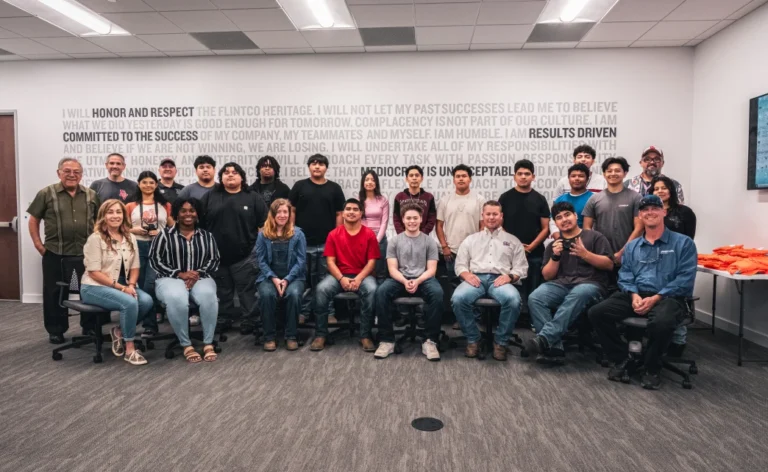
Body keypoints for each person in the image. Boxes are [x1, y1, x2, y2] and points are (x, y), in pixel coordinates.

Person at [588, 195, 697, 390]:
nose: (650, 213)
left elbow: (685, 278)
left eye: (655, 208)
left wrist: (657, 297)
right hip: (637, 295)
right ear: (640, 215)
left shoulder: (684, 243)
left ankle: (651, 367)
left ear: (664, 212)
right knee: (597, 313)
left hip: (669, 297)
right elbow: (626, 274)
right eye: (645, 210)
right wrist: (633, 294)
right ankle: (621, 359)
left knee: (662, 323)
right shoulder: (632, 246)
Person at [526, 202, 614, 365]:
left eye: (567, 215)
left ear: (575, 216)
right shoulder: (553, 245)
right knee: (535, 297)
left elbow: (609, 264)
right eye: (559, 218)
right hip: (561, 284)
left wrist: (585, 254)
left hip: (591, 284)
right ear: (555, 223)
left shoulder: (594, 236)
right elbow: (547, 276)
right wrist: (555, 256)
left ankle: (546, 338)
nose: (564, 219)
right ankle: (554, 347)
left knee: (579, 293)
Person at [27, 158, 100, 344]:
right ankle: (56, 330)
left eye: (76, 171)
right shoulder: (46, 193)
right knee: (55, 292)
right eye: (67, 171)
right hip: (55, 252)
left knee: (89, 291)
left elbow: (99, 221)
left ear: (81, 175)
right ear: (59, 173)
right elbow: (34, 219)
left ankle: (89, 327)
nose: (72, 175)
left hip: (86, 254)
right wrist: (38, 245)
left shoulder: (91, 195)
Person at [80, 199, 154, 366]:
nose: (115, 216)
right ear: (103, 216)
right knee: (130, 302)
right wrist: (122, 288)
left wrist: (132, 286)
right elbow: (94, 272)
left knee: (146, 301)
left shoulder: (130, 237)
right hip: (94, 286)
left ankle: (119, 331)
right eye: (110, 212)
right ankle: (130, 348)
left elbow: (135, 267)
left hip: (123, 284)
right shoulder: (95, 238)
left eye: (119, 212)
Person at [451, 201, 528, 361]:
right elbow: (460, 265)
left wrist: (510, 276)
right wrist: (466, 275)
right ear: (483, 216)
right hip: (475, 279)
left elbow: (522, 268)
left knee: (513, 300)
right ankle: (473, 339)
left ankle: (501, 342)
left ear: (501, 216)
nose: (491, 217)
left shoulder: (513, 240)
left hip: (500, 280)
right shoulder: (471, 240)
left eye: (495, 214)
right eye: (488, 214)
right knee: (458, 299)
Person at [149, 197, 220, 363]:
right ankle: (186, 344)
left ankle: (208, 342)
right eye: (183, 211)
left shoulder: (207, 236)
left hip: (201, 277)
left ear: (197, 214)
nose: (188, 214)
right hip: (169, 278)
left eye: (192, 210)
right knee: (177, 297)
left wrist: (196, 274)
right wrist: (179, 274)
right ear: (176, 214)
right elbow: (155, 260)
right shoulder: (164, 236)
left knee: (208, 296)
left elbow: (214, 260)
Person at [200, 162, 267, 332]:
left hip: (245, 255)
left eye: (235, 172)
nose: (230, 175)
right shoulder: (210, 197)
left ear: (242, 177)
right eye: (226, 172)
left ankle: (250, 320)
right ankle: (224, 318)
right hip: (215, 255)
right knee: (222, 291)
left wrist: (256, 250)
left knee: (247, 291)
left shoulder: (253, 197)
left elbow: (264, 225)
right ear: (221, 177)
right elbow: (199, 223)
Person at [373, 203, 444, 361]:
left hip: (423, 279)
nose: (412, 221)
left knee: (438, 294)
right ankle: (386, 341)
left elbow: (431, 270)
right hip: (400, 278)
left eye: (415, 218)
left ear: (421, 220)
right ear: (403, 220)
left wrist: (417, 281)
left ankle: (430, 341)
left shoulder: (429, 242)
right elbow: (392, 269)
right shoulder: (394, 241)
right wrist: (405, 281)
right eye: (408, 218)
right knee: (381, 292)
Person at [310, 198, 380, 352]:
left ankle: (365, 335)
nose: (352, 212)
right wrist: (341, 279)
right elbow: (330, 262)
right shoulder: (333, 234)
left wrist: (358, 278)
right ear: (343, 213)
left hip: (362, 275)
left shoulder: (369, 234)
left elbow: (371, 263)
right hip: (338, 275)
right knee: (321, 289)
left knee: (372, 290)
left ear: (361, 213)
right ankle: (321, 334)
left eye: (355, 209)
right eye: (348, 209)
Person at [288, 154, 346, 324]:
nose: (317, 167)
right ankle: (304, 313)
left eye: (320, 164)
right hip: (302, 243)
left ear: (326, 167)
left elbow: (339, 214)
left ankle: (328, 312)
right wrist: (292, 231)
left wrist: (336, 236)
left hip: (326, 243)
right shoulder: (300, 186)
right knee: (303, 280)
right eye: (313, 164)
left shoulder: (334, 188)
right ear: (309, 167)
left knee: (325, 281)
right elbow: (291, 209)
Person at [651, 175, 697, 355]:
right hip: (655, 261)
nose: (660, 191)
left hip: (679, 260)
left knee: (678, 298)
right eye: (656, 189)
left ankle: (678, 339)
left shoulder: (685, 212)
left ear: (671, 191)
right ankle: (660, 338)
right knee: (660, 299)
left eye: (664, 188)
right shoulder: (650, 211)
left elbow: (689, 238)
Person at [254, 199, 307, 352]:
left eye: (285, 212)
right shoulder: (263, 234)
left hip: (294, 277)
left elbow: (301, 261)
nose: (282, 215)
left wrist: (288, 279)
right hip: (268, 277)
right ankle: (269, 337)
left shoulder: (298, 234)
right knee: (266, 295)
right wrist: (275, 279)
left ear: (290, 214)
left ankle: (291, 335)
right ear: (272, 214)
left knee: (295, 294)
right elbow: (261, 261)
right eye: (279, 212)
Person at [125, 171, 172, 338]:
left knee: (150, 284)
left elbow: (173, 227)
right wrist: (133, 229)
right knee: (141, 285)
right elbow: (121, 228)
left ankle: (151, 323)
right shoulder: (131, 205)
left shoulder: (165, 205)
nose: (148, 185)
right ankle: (148, 325)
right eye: (144, 182)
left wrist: (161, 233)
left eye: (151, 182)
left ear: (156, 184)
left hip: (159, 247)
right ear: (139, 184)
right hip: (137, 246)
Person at [498, 159, 550, 306]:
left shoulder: (540, 199)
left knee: (533, 290)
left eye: (527, 174)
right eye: (519, 173)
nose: (523, 176)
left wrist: (530, 247)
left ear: (533, 177)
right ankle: (512, 320)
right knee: (509, 289)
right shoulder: (505, 198)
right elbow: (499, 226)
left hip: (534, 253)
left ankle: (532, 320)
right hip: (508, 252)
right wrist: (517, 246)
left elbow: (546, 228)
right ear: (514, 176)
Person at [583, 157, 644, 265]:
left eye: (617, 170)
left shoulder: (636, 197)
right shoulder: (594, 199)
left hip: (629, 255)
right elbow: (587, 228)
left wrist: (622, 252)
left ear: (625, 173)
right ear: (604, 174)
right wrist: (596, 250)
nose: (613, 173)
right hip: (601, 255)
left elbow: (639, 228)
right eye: (609, 171)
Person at [436, 164, 487, 273]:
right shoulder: (445, 200)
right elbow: (439, 226)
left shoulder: (479, 200)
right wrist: (444, 247)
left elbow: (483, 225)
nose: (461, 179)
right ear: (454, 180)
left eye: (464, 176)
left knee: (474, 283)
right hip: (452, 251)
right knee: (453, 282)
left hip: (473, 251)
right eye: (457, 176)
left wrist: (479, 246)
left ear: (470, 179)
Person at [549, 163, 594, 240]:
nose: (577, 178)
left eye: (581, 176)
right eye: (573, 176)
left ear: (587, 179)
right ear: (568, 179)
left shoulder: (594, 198)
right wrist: (559, 239)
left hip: (587, 241)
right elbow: (553, 221)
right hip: (563, 241)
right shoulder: (559, 199)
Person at [359, 170, 389, 281]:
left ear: (376, 183)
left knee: (380, 271)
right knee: (365, 270)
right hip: (363, 239)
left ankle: (380, 296)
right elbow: (359, 221)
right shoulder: (358, 200)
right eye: (367, 180)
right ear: (363, 183)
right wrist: (367, 238)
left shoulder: (383, 200)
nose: (370, 182)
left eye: (372, 180)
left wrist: (376, 241)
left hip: (379, 240)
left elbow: (384, 222)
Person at [392, 165, 437, 235]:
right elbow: (396, 219)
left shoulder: (429, 197)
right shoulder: (399, 197)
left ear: (421, 178)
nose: (414, 178)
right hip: (403, 238)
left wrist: (421, 234)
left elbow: (431, 219)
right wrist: (403, 235)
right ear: (406, 179)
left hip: (423, 237)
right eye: (411, 175)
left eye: (417, 175)